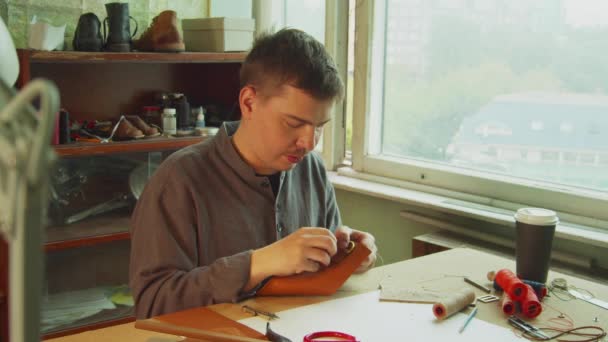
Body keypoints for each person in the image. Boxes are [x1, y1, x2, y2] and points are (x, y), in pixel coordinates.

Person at [129, 28, 378, 319]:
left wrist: (345, 255)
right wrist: (256, 264)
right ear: (249, 103)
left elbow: (322, 274)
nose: (309, 143)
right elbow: (152, 305)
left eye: (319, 126)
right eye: (294, 123)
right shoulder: (177, 180)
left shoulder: (310, 167)